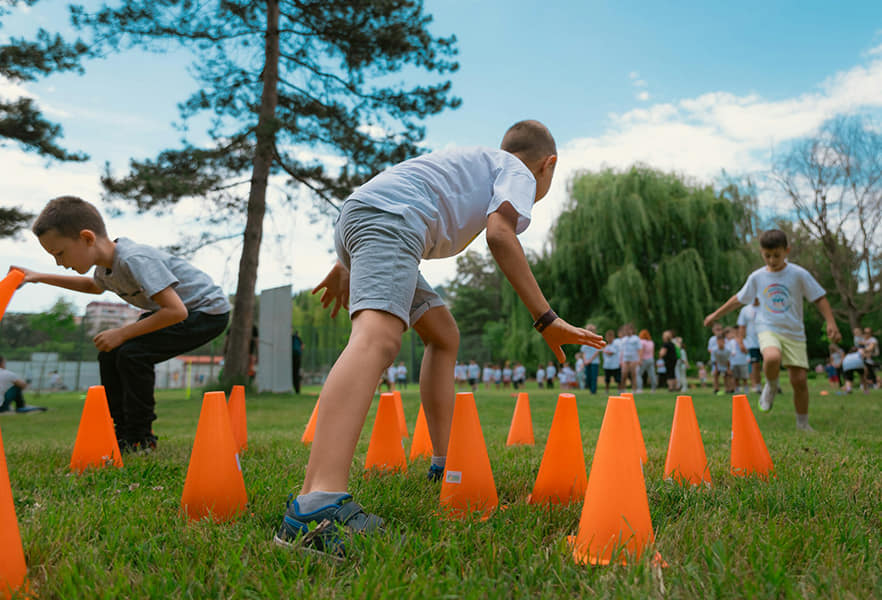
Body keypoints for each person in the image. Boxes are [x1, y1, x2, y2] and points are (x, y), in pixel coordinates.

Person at [275, 120, 604, 555]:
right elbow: (500, 235)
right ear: (549, 165)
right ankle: (317, 505)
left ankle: (445, 462)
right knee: (378, 339)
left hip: (368, 215)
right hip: (391, 220)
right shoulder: (519, 172)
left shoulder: (477, 161)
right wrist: (546, 319)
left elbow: (396, 189)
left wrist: (346, 262)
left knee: (443, 333)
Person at [18, 196, 230, 450]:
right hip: (178, 310)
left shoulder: (133, 259)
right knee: (111, 354)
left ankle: (140, 436)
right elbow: (93, 287)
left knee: (133, 354)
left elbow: (176, 311)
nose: (59, 263)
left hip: (206, 311)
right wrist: (38, 277)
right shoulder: (104, 268)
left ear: (87, 238)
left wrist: (122, 333)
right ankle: (122, 430)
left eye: (60, 253)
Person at [703, 228, 841, 432]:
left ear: (787, 251)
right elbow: (738, 299)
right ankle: (771, 385)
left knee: (799, 380)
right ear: (761, 253)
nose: (772, 260)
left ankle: (802, 423)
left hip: (794, 332)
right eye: (767, 256)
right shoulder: (757, 277)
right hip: (768, 328)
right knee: (772, 357)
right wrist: (716, 315)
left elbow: (819, 297)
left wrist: (831, 322)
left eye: (776, 255)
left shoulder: (798, 274)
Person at [737, 298, 763, 393]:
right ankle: (758, 386)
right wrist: (741, 342)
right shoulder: (745, 310)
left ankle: (773, 384)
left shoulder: (765, 307)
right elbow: (742, 327)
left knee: (769, 363)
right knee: (755, 365)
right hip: (752, 342)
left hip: (766, 341)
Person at [581, 323, 602, 395]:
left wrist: (590, 360)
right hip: (587, 362)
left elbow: (597, 352)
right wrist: (585, 361)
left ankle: (593, 391)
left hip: (594, 362)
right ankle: (590, 388)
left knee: (594, 377)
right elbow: (583, 352)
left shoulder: (597, 340)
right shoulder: (584, 341)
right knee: (588, 377)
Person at [602, 329, 622, 394]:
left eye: (610, 337)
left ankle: (619, 391)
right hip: (607, 365)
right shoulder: (605, 345)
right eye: (608, 337)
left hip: (615, 365)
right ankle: (606, 391)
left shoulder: (615, 345)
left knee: (618, 379)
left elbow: (611, 353)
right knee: (607, 380)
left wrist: (604, 350)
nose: (609, 338)